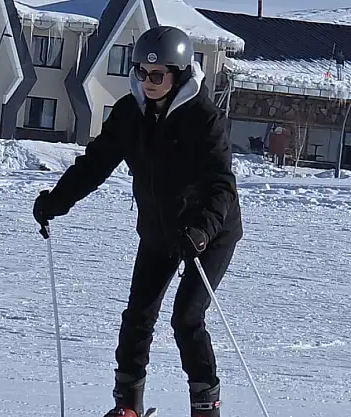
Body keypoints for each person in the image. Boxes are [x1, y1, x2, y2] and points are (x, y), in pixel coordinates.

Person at [32, 25, 243, 417]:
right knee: (137, 317)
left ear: (178, 74)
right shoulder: (130, 113)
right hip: (160, 230)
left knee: (187, 318)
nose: (147, 82)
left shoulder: (203, 117)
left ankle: (205, 407)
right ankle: (127, 406)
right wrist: (56, 202)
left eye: (157, 75)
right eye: (141, 72)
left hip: (208, 233)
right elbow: (95, 164)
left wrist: (201, 231)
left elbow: (222, 185)